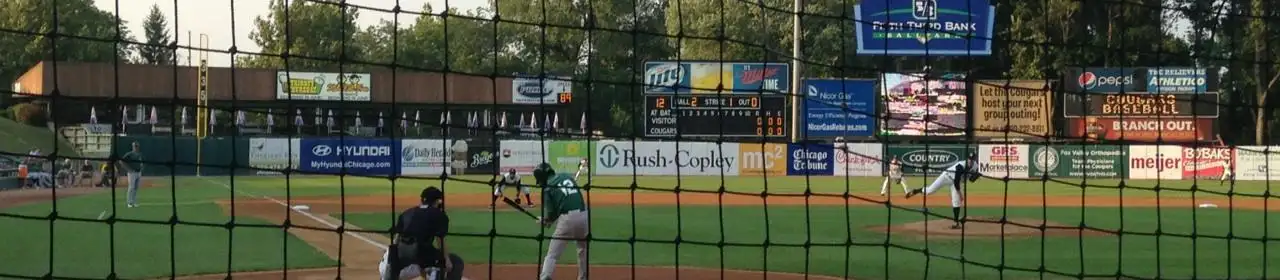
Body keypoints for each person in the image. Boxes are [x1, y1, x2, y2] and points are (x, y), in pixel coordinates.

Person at [380, 186, 465, 280]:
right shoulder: (438, 214)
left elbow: (396, 239)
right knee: (456, 262)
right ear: (437, 201)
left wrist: (392, 257)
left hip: (396, 258)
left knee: (421, 256)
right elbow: (440, 240)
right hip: (417, 257)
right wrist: (446, 260)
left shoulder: (407, 212)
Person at [533, 162, 590, 280]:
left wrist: (546, 220)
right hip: (584, 216)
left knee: (552, 254)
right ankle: (583, 277)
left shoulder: (547, 188)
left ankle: (545, 276)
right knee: (583, 250)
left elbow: (551, 213)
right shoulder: (566, 176)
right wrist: (549, 220)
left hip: (567, 220)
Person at [904, 153, 981, 229]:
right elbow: (956, 182)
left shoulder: (975, 166)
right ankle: (916, 191)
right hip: (946, 177)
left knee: (956, 202)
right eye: (969, 159)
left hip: (955, 182)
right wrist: (960, 194)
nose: (970, 161)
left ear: (974, 160)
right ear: (967, 159)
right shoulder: (960, 166)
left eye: (971, 160)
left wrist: (976, 176)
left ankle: (956, 223)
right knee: (930, 191)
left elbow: (971, 180)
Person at [120, 141, 145, 208]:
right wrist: (128, 169)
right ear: (133, 146)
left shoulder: (140, 154)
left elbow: (141, 162)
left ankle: (133, 202)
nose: (136, 147)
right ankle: (129, 203)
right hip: (132, 173)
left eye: (137, 146)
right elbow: (121, 161)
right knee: (131, 187)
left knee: (136, 188)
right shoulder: (130, 154)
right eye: (135, 146)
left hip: (138, 172)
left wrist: (141, 167)